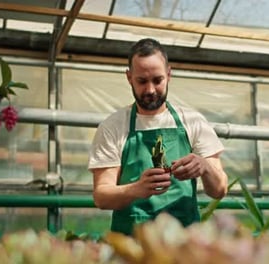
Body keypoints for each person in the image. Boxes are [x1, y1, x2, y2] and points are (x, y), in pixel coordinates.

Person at [88, 38, 228, 236]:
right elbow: (101, 196)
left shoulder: (193, 122)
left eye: (157, 80)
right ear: (129, 77)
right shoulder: (113, 126)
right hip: (133, 243)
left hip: (184, 242)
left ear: (169, 75)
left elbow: (219, 189)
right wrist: (136, 189)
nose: (150, 90)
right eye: (142, 81)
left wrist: (205, 167)